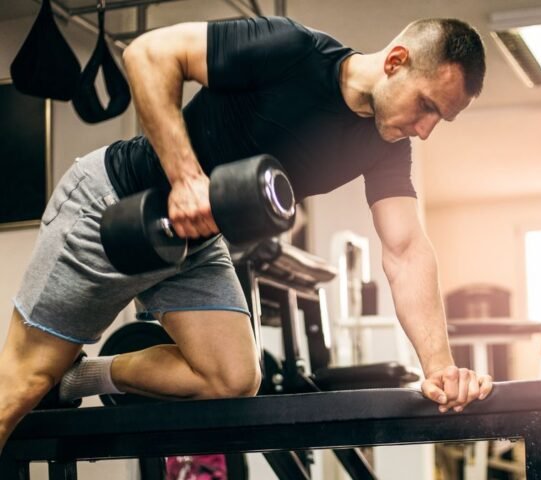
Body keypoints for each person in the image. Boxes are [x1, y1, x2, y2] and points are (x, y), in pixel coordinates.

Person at [0, 15, 493, 450]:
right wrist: (187, 179)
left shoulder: (386, 147)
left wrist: (439, 368)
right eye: (427, 105)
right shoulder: (290, 49)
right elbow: (148, 53)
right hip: (114, 202)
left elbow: (406, 250)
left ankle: (79, 378)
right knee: (23, 382)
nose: (425, 129)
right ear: (396, 61)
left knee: (230, 378)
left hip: (191, 243)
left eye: (440, 119)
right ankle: (51, 376)